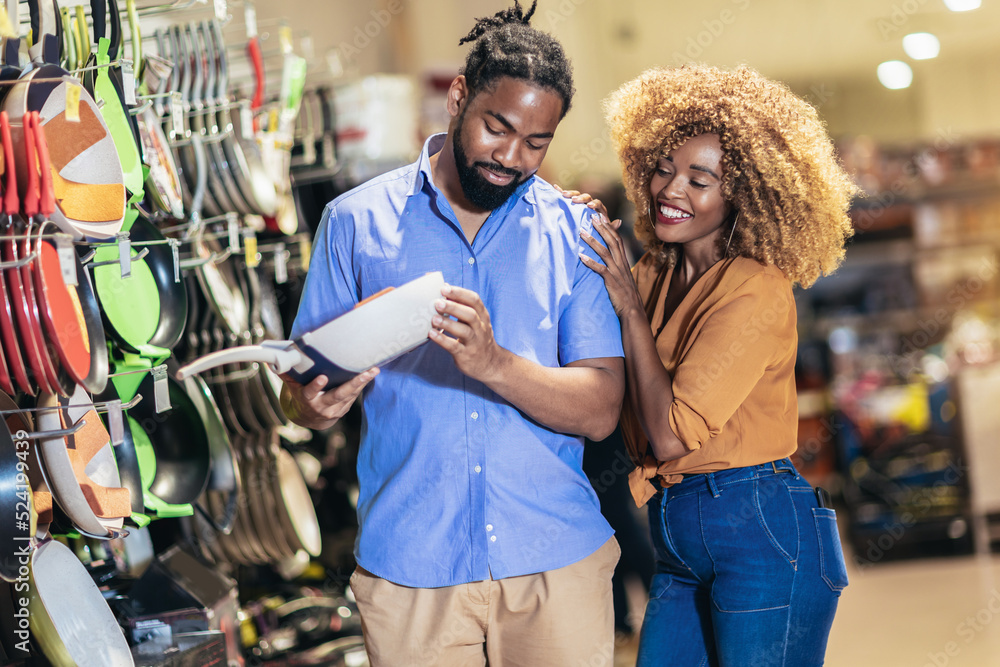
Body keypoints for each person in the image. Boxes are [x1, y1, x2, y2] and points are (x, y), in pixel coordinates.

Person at [280, 2, 625, 665]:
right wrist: (315, 403)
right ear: (459, 97)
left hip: (554, 562)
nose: (512, 156)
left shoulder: (573, 234)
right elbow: (303, 392)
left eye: (536, 141)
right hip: (412, 568)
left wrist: (495, 363)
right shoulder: (353, 224)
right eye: (498, 128)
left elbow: (602, 409)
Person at [574, 65, 855, 666]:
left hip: (760, 528)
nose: (671, 190)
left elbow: (672, 433)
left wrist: (626, 307)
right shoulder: (651, 271)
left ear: (743, 193)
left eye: (700, 179)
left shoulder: (756, 289)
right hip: (676, 527)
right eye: (663, 169)